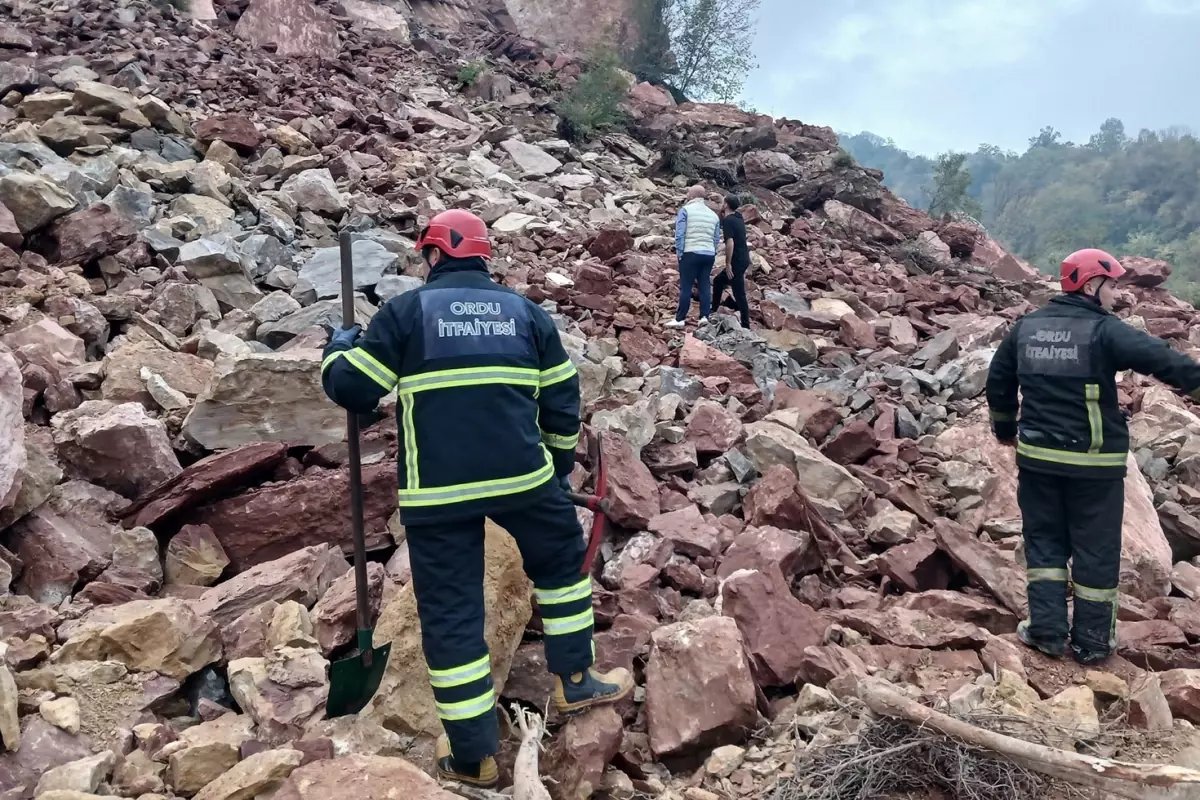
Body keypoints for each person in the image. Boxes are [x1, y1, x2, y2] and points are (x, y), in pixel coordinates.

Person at [320, 209, 633, 788]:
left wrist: (339, 350)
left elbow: (354, 390)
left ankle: (474, 755)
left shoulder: (406, 314)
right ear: (483, 256)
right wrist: (556, 470)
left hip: (438, 495)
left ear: (434, 255)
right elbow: (564, 400)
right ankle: (575, 682)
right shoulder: (524, 314)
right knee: (562, 568)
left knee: (452, 614)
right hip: (523, 481)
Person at [986, 247, 1200, 666]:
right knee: (1096, 550)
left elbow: (999, 381)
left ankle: (1046, 632)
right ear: (1090, 284)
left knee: (1044, 544)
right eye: (1112, 284)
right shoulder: (1105, 331)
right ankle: (1093, 642)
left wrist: (1005, 431)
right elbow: (1166, 363)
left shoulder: (1027, 328)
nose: (1115, 293)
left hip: (1038, 461)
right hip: (1093, 465)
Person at [666, 184, 722, 329]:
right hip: (708, 253)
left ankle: (680, 319)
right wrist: (712, 250)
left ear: (692, 195)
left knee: (686, 286)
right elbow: (716, 238)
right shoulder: (713, 215)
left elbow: (680, 234)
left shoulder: (685, 210)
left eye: (688, 193)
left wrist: (680, 252)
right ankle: (704, 316)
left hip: (690, 252)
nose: (687, 195)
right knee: (704, 285)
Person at [712, 194, 752, 329]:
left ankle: (746, 325)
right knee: (719, 281)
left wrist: (728, 264)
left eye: (723, 202)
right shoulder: (738, 217)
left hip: (736, 261)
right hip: (744, 258)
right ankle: (726, 305)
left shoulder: (728, 221)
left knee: (739, 292)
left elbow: (730, 243)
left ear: (726, 205)